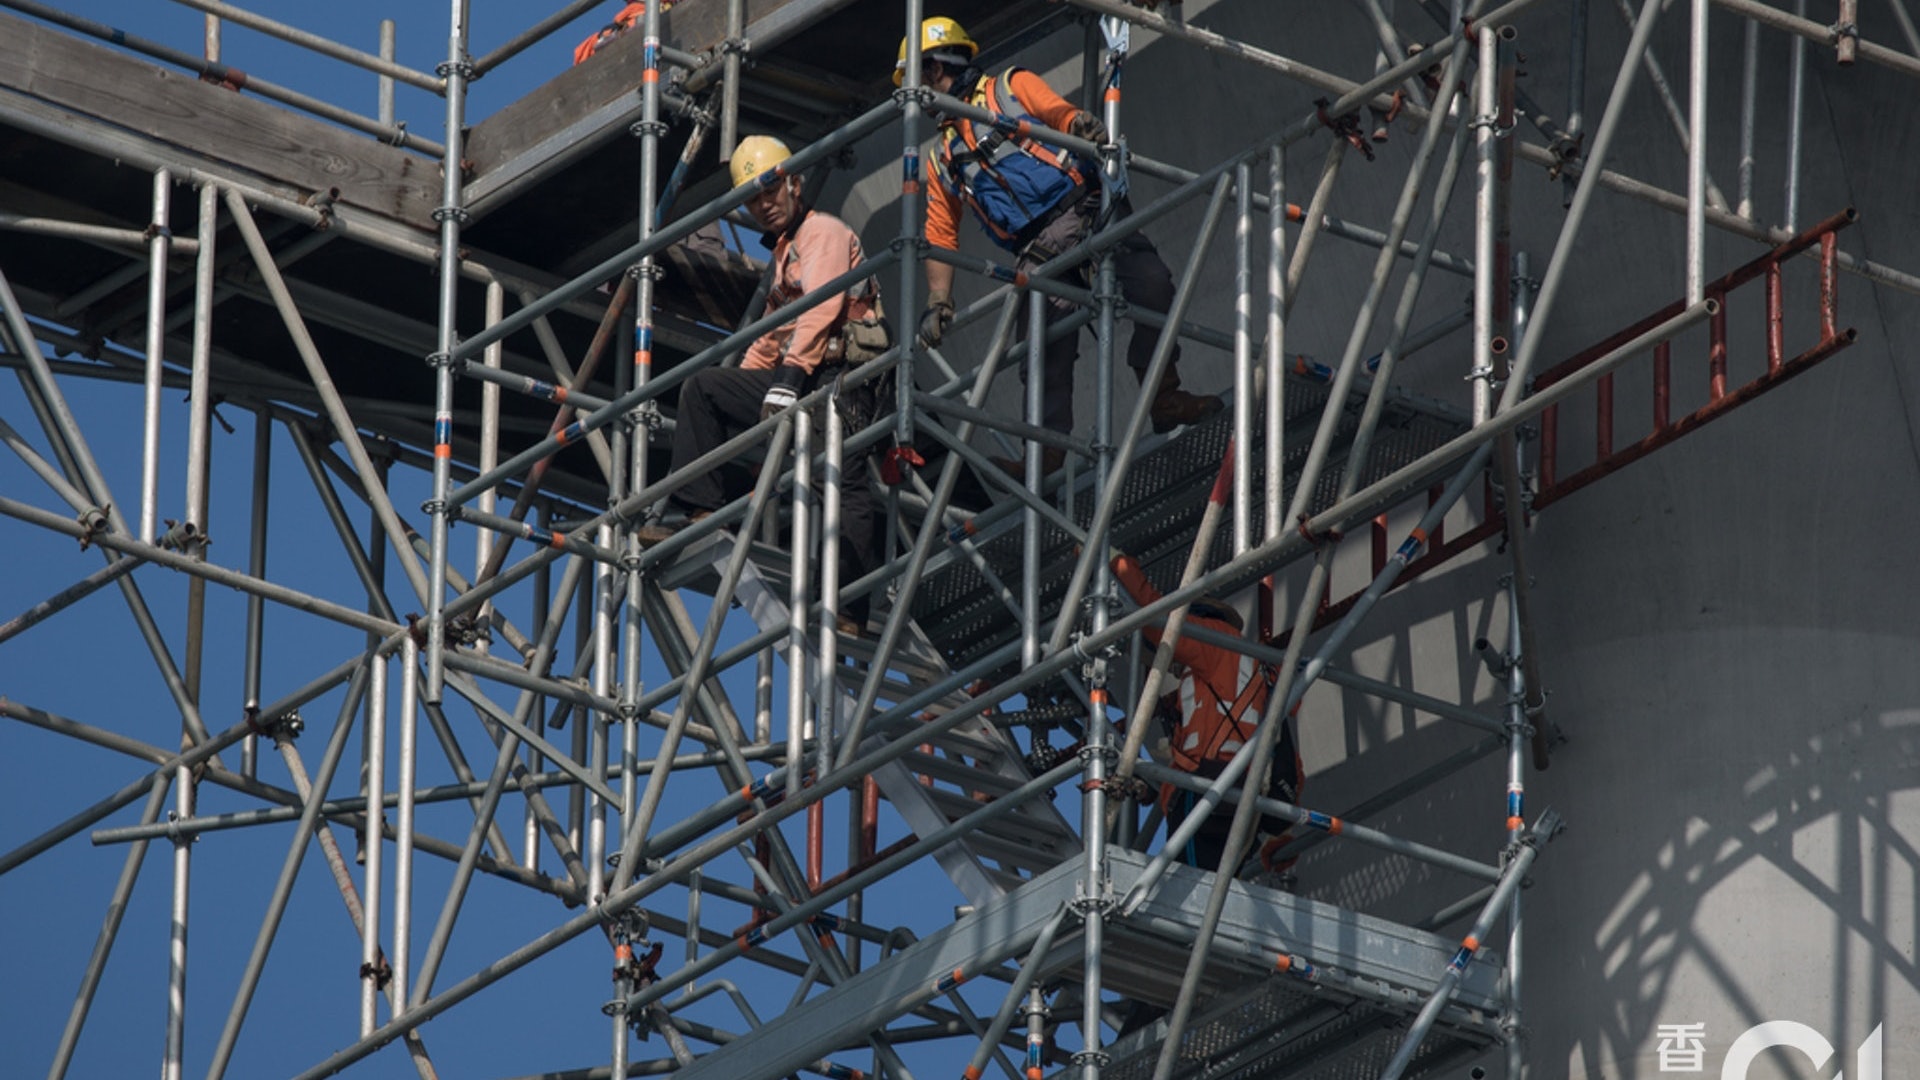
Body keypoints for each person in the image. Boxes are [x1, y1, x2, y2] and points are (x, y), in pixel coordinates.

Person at [899, 17, 1223, 475]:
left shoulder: (1008, 88)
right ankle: (1044, 454)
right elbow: (939, 231)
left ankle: (1164, 395)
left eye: (918, 78)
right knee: (1042, 347)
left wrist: (1080, 126)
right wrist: (938, 299)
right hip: (1038, 251)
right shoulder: (941, 155)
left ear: (936, 69)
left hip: (1089, 211)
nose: (918, 95)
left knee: (1153, 287)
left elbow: (1057, 114)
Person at [640, 136, 890, 633]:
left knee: (844, 483)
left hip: (842, 380)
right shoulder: (786, 253)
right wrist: (752, 384)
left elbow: (818, 309)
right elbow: (772, 335)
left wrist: (788, 378)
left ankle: (849, 609)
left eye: (770, 190)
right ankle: (700, 511)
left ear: (795, 183)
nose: (763, 205)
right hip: (807, 375)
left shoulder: (822, 233)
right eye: (752, 198)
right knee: (707, 389)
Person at [1110, 548, 1303, 876]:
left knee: (1186, 895)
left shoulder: (1214, 641)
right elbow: (1286, 752)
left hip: (1207, 791)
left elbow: (1156, 616)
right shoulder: (1258, 673)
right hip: (1241, 794)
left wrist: (1116, 564)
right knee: (1210, 893)